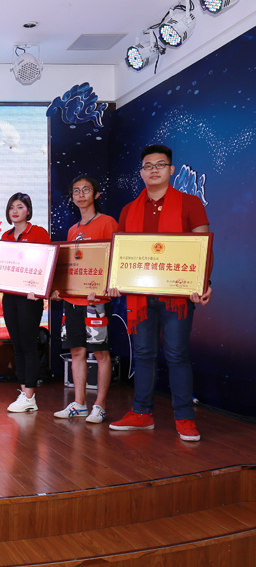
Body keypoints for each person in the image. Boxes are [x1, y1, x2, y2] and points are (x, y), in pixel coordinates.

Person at [108, 145, 212, 442]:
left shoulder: (190, 203)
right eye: (148, 165)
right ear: (141, 172)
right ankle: (142, 413)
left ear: (171, 170)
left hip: (177, 297)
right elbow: (121, 253)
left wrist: (203, 283)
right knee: (143, 354)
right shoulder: (129, 210)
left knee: (177, 355)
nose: (154, 170)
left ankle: (184, 417)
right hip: (139, 296)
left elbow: (203, 248)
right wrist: (115, 280)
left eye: (160, 164)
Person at [50, 176, 119, 424]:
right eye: (76, 191)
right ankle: (79, 404)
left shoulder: (107, 222)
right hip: (73, 301)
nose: (81, 195)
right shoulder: (73, 230)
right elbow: (71, 267)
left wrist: (103, 287)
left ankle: (99, 405)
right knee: (76, 351)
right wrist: (59, 288)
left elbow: (115, 259)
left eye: (86, 190)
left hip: (96, 301)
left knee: (100, 352)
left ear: (96, 194)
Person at [0, 193, 51, 413]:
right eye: (11, 208)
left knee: (28, 346)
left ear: (28, 210)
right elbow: (2, 267)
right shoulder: (6, 236)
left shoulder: (39, 233)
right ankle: (24, 393)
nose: (15, 211)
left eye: (19, 207)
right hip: (10, 298)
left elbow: (47, 263)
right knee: (17, 346)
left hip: (30, 299)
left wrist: (40, 289)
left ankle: (29, 395)